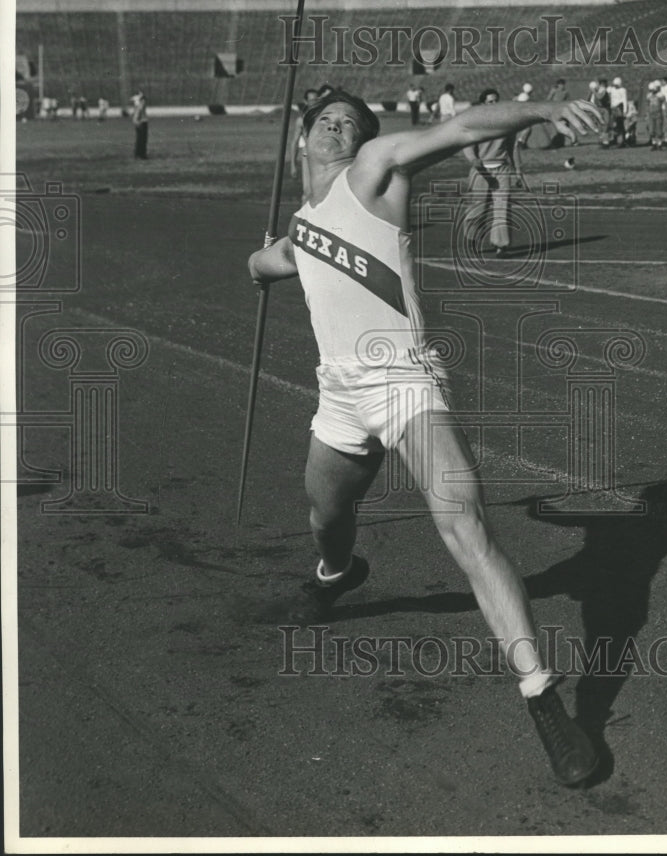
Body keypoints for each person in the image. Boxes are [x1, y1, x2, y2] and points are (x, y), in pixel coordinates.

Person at [248, 88, 602, 788]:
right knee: (327, 516)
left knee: (463, 525)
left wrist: (540, 109)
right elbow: (269, 264)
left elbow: (462, 125)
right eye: (324, 121)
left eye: (350, 122)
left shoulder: (375, 170)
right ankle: (335, 575)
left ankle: (543, 700)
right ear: (300, 140)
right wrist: (259, 264)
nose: (338, 129)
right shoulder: (301, 226)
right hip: (340, 396)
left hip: (404, 383)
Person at [461, 89, 517, 257]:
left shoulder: (508, 123)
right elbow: (468, 147)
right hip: (481, 171)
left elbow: (512, 147)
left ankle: (501, 246)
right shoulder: (475, 124)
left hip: (502, 170)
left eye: (496, 101)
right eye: (490, 101)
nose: (494, 104)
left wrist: (518, 170)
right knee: (478, 209)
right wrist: (473, 160)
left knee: (502, 207)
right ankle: (471, 238)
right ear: (483, 104)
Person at [290, 88, 320, 195]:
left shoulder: (325, 118)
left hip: (323, 156)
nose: (315, 103)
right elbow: (294, 142)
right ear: (306, 101)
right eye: (312, 100)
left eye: (317, 100)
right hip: (307, 156)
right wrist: (293, 165)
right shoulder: (301, 121)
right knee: (307, 191)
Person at [608, 77, 627, 147]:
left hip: (619, 108)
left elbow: (624, 100)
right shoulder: (611, 89)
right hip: (613, 108)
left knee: (619, 125)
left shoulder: (623, 90)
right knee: (613, 125)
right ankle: (614, 139)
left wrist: (625, 111)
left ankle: (621, 141)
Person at [131, 91, 149, 159]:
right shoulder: (141, 104)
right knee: (142, 139)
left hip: (138, 121)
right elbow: (139, 110)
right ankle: (142, 154)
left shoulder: (137, 104)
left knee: (139, 139)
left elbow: (136, 112)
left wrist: (135, 120)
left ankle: (137, 154)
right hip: (142, 122)